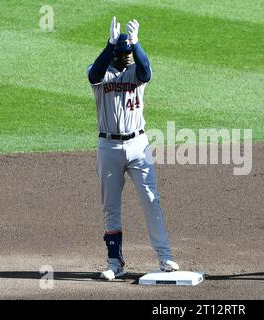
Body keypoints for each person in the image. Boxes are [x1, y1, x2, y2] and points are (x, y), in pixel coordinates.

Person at [87, 16, 179, 280]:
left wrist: (136, 44)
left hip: (139, 145)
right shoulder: (100, 73)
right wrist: (110, 44)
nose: (127, 57)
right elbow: (94, 73)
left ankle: (164, 257)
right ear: (114, 52)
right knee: (111, 206)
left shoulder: (137, 73)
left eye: (129, 53)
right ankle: (114, 262)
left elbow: (146, 69)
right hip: (108, 146)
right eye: (123, 53)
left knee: (152, 200)